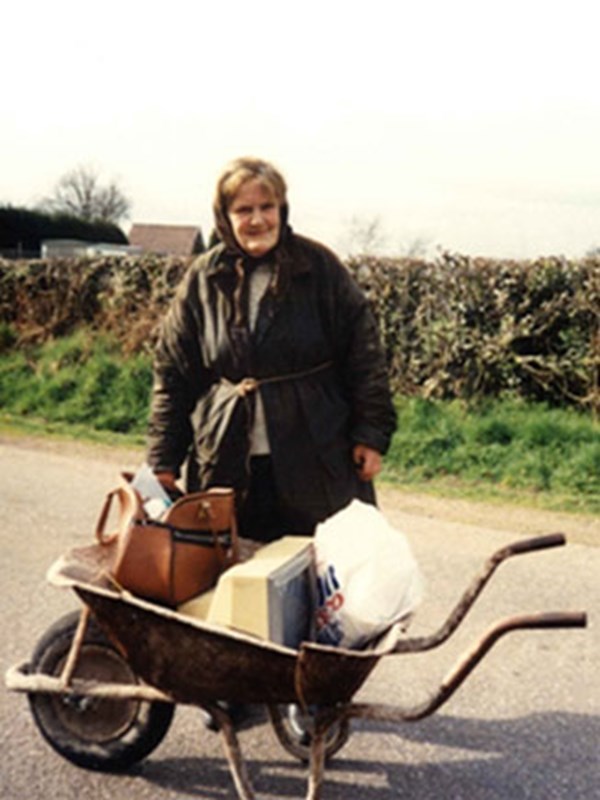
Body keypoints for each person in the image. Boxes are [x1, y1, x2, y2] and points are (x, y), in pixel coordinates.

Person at [146, 156, 396, 544]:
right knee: (231, 578)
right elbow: (173, 374)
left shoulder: (320, 268)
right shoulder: (203, 279)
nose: (257, 220)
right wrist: (163, 459)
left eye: (267, 207)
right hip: (225, 459)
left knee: (323, 575)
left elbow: (364, 357)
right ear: (225, 217)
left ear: (282, 209)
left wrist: (371, 433)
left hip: (316, 456)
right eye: (243, 209)